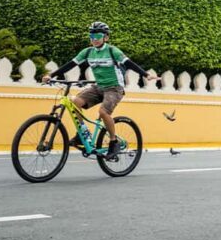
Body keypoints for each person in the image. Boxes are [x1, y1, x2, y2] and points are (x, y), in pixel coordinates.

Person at [42, 22, 156, 159]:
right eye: (91, 36)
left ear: (106, 37)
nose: (94, 39)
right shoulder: (87, 52)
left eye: (98, 36)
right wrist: (51, 76)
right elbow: (70, 65)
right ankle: (82, 134)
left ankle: (114, 142)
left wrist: (146, 75)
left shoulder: (113, 51)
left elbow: (129, 63)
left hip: (114, 88)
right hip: (98, 87)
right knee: (74, 102)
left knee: (103, 112)